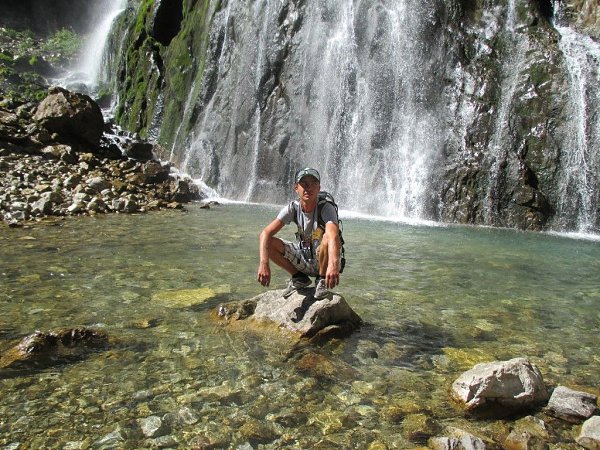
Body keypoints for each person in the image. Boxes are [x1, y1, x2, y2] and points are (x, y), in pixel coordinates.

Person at [257, 167, 342, 299]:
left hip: (325, 261)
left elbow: (333, 236)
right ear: (296, 188)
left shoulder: (326, 207)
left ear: (319, 188)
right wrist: (264, 264)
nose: (309, 188)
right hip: (304, 257)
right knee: (269, 242)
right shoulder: (293, 208)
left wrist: (333, 264)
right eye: (304, 184)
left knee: (326, 237)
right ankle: (299, 277)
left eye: (313, 184)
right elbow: (265, 233)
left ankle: (321, 280)